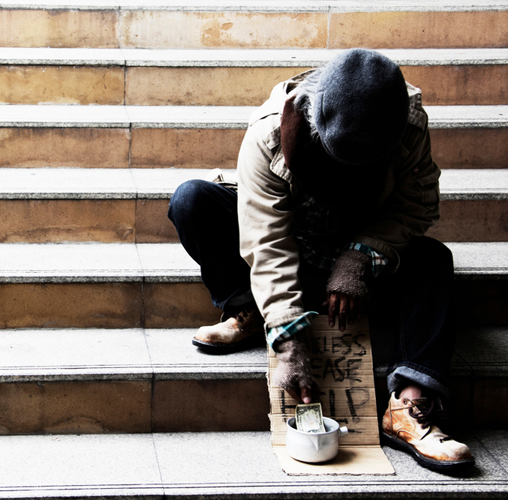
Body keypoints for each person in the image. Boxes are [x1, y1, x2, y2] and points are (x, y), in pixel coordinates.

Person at [167, 49, 474, 473]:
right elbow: (266, 241)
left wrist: (361, 255)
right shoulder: (270, 131)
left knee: (434, 259)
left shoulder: (407, 124)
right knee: (192, 200)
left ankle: (409, 404)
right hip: (293, 245)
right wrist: (287, 337)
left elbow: (417, 205)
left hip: (356, 262)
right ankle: (248, 309)